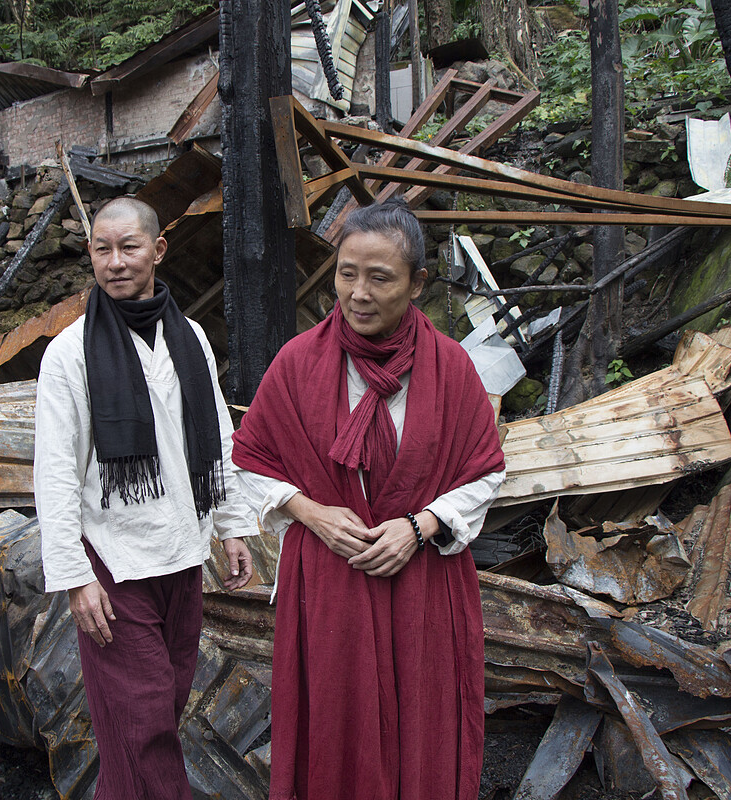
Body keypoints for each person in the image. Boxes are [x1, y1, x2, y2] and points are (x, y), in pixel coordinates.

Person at [232, 200, 506, 800]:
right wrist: (311, 513)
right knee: (336, 733)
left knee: (423, 730)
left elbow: (484, 473)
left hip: (423, 588)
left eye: (380, 277)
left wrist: (422, 523)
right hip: (329, 584)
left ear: (417, 284)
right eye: (346, 272)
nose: (358, 293)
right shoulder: (298, 363)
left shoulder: (452, 369)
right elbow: (249, 460)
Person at [33, 196, 257, 800]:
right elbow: (53, 474)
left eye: (128, 247)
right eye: (102, 249)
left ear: (157, 251)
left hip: (182, 554)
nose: (115, 261)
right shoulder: (70, 354)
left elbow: (218, 436)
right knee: (143, 723)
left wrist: (231, 526)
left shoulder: (192, 341)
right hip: (114, 564)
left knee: (160, 714)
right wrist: (76, 578)